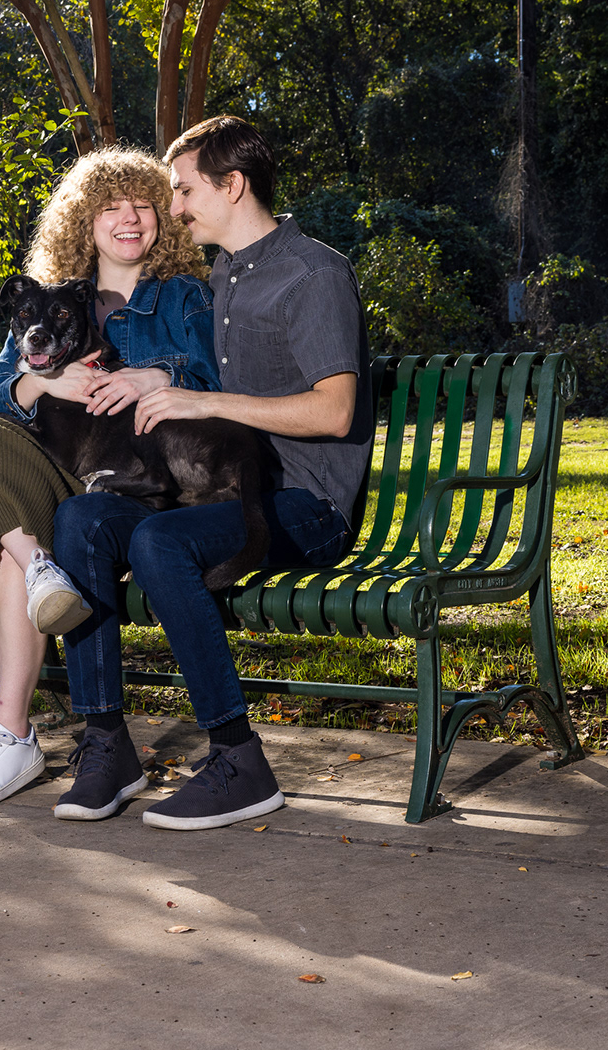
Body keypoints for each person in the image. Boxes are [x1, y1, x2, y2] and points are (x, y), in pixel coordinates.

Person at [48, 116, 373, 828]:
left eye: (184, 190)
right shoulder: (224, 273)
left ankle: (238, 758)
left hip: (306, 504)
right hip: (218, 491)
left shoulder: (313, 274)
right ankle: (107, 746)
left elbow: (336, 410)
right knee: (83, 520)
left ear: (232, 185)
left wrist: (202, 399)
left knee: (158, 543)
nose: (174, 208)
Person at [0, 148, 219, 809]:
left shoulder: (183, 296)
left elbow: (217, 381)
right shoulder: (49, 304)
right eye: (111, 206)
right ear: (83, 222)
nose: (129, 217)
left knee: (9, 545)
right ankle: (38, 574)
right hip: (56, 482)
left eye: (143, 204)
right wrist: (43, 381)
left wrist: (157, 374)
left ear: (163, 216)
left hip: (134, 488)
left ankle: (12, 732)